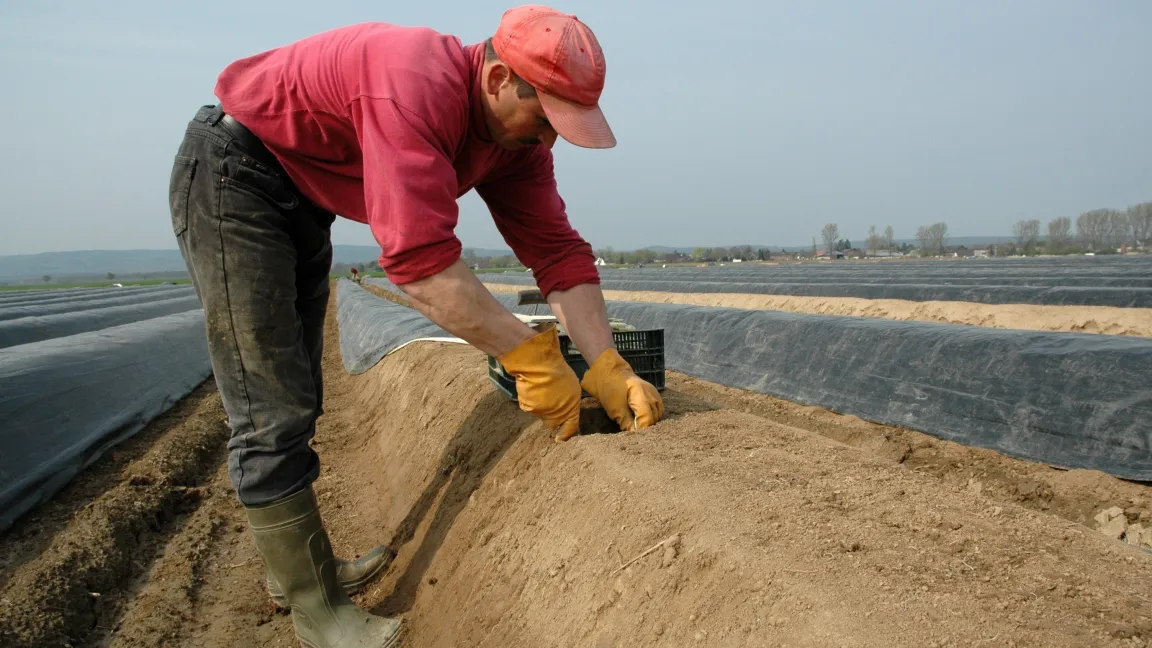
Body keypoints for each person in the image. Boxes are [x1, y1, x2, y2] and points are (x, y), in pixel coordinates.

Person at [167, 5, 665, 647]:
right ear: (496, 79)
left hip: (302, 196)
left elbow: (557, 251)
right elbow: (418, 260)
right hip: (236, 178)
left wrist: (606, 364)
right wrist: (531, 356)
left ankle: (303, 570)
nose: (549, 141)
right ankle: (314, 610)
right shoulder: (412, 84)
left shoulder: (514, 144)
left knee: (300, 393)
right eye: (546, 119)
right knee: (270, 406)